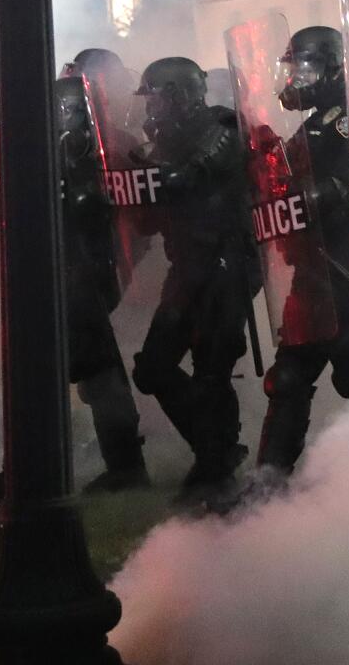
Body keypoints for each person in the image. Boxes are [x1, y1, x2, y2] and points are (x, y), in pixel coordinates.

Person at [0, 70, 150, 506]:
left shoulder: (89, 164)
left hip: (78, 280)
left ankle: (35, 475)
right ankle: (120, 469)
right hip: (69, 279)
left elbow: (109, 227)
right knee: (96, 378)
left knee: (45, 375)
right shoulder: (68, 159)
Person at [248, 26, 349, 480]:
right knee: (290, 376)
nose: (293, 79)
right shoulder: (313, 124)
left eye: (302, 68)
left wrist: (328, 190)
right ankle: (269, 483)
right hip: (311, 268)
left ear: (330, 67)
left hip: (343, 265)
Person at [126, 56, 257, 502]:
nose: (152, 109)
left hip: (226, 264)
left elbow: (189, 175)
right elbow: (148, 217)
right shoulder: (164, 139)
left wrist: (153, 169)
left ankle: (216, 470)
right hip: (187, 267)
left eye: (157, 98)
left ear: (180, 94)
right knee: (154, 367)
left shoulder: (222, 128)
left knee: (211, 370)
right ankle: (216, 452)